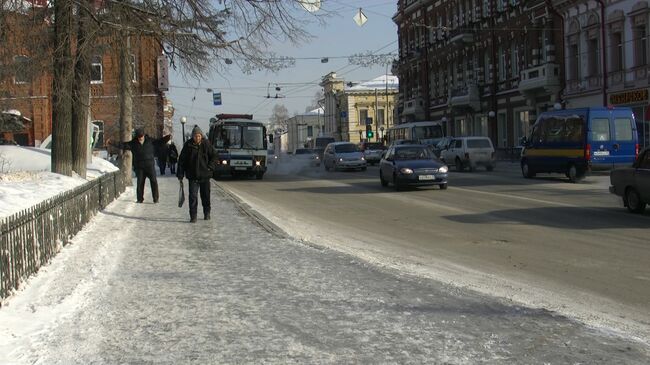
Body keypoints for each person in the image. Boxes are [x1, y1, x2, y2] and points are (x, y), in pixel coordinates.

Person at [177, 125, 217, 223]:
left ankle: (207, 213)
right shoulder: (188, 145)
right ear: (193, 136)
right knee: (193, 197)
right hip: (192, 176)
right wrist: (180, 174)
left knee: (206, 196)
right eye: (195, 136)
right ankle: (193, 216)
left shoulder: (206, 144)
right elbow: (182, 161)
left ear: (201, 136)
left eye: (199, 136)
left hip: (205, 176)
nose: (197, 138)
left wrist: (210, 167)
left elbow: (214, 156)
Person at [123, 128, 171, 203]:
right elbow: (123, 145)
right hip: (139, 166)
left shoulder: (150, 141)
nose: (140, 138)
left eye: (141, 136)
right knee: (140, 183)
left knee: (154, 181)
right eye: (139, 137)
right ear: (137, 137)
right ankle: (140, 199)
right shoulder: (133, 143)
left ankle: (156, 198)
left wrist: (167, 138)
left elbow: (159, 142)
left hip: (150, 165)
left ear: (144, 135)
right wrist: (111, 142)